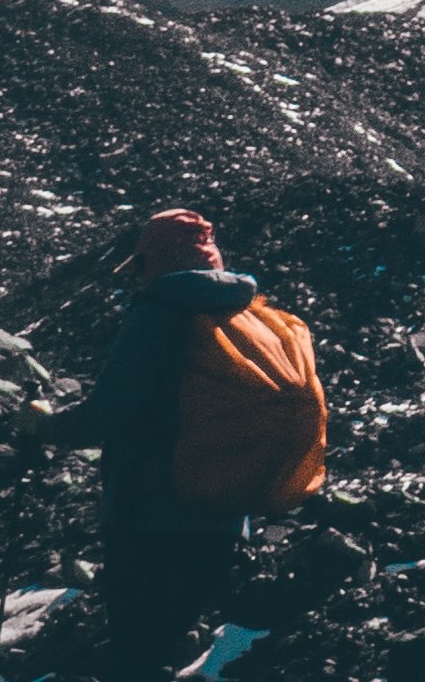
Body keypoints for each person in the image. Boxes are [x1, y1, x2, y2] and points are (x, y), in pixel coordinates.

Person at [35, 208, 269, 682]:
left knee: (134, 656)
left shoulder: (159, 311)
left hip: (152, 513)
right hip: (224, 513)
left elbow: (109, 410)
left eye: (139, 264)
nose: (135, 277)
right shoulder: (243, 310)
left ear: (155, 260)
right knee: (167, 645)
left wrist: (44, 427)